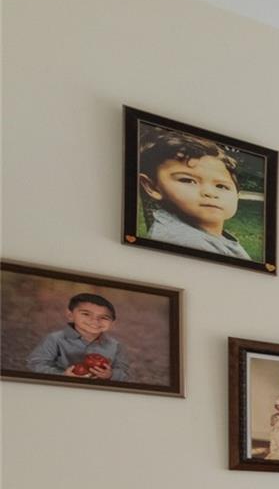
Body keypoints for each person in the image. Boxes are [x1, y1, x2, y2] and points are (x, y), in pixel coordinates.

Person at [136, 130, 253, 261]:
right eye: (188, 180)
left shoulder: (205, 237)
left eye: (221, 186)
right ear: (152, 187)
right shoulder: (184, 242)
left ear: (237, 195)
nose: (210, 193)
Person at [26, 292, 130, 381]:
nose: (95, 320)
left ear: (112, 323)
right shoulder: (55, 339)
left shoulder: (115, 345)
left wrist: (111, 375)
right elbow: (36, 363)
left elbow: (124, 371)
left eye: (104, 317)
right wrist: (62, 375)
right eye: (86, 314)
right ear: (70, 315)